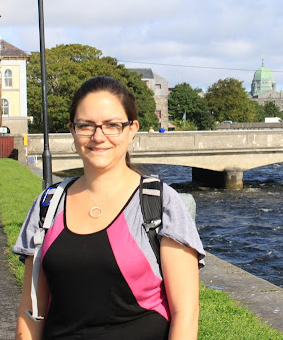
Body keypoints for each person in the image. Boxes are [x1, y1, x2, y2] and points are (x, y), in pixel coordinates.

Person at [13, 76, 205, 339]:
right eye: (85, 125)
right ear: (72, 130)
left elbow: (185, 314)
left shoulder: (160, 205)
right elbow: (31, 310)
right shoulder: (48, 206)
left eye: (112, 125)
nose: (98, 136)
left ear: (131, 129)